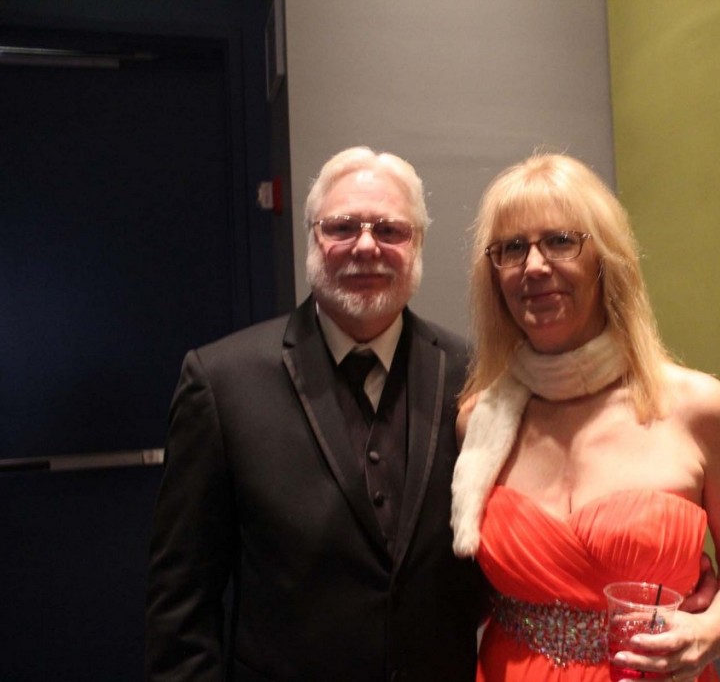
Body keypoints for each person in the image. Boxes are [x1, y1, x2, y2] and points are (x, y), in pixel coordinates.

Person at [145, 146, 486, 681]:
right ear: (312, 239)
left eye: (390, 230)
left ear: (418, 244)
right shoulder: (221, 383)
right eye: (342, 227)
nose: (366, 246)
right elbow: (181, 601)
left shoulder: (473, 374)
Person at [451, 153, 720, 682]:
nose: (533, 266)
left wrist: (709, 631)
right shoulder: (478, 424)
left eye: (560, 240)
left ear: (606, 261)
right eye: (512, 248)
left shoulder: (698, 408)